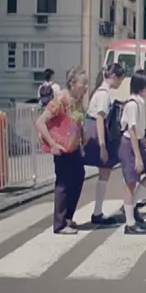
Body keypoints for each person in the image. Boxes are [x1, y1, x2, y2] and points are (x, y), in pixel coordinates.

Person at [35, 66, 88, 235]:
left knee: (78, 177)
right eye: (83, 83)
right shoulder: (61, 100)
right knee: (64, 183)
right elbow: (40, 122)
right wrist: (52, 144)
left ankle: (68, 217)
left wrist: (83, 135)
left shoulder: (78, 99)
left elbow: (77, 121)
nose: (86, 86)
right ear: (72, 83)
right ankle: (59, 224)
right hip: (62, 148)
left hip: (74, 147)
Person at [81, 63, 125, 225]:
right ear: (114, 77)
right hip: (96, 131)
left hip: (94, 129)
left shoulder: (101, 92)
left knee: (105, 170)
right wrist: (102, 146)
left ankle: (98, 211)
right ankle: (97, 212)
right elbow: (100, 118)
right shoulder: (104, 94)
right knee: (105, 169)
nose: (121, 83)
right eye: (120, 79)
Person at [117, 69, 146, 234]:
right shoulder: (133, 104)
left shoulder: (139, 102)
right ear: (141, 87)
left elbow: (137, 131)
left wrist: (143, 141)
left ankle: (132, 206)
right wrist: (138, 158)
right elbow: (131, 130)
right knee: (130, 183)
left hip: (135, 143)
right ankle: (129, 223)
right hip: (128, 145)